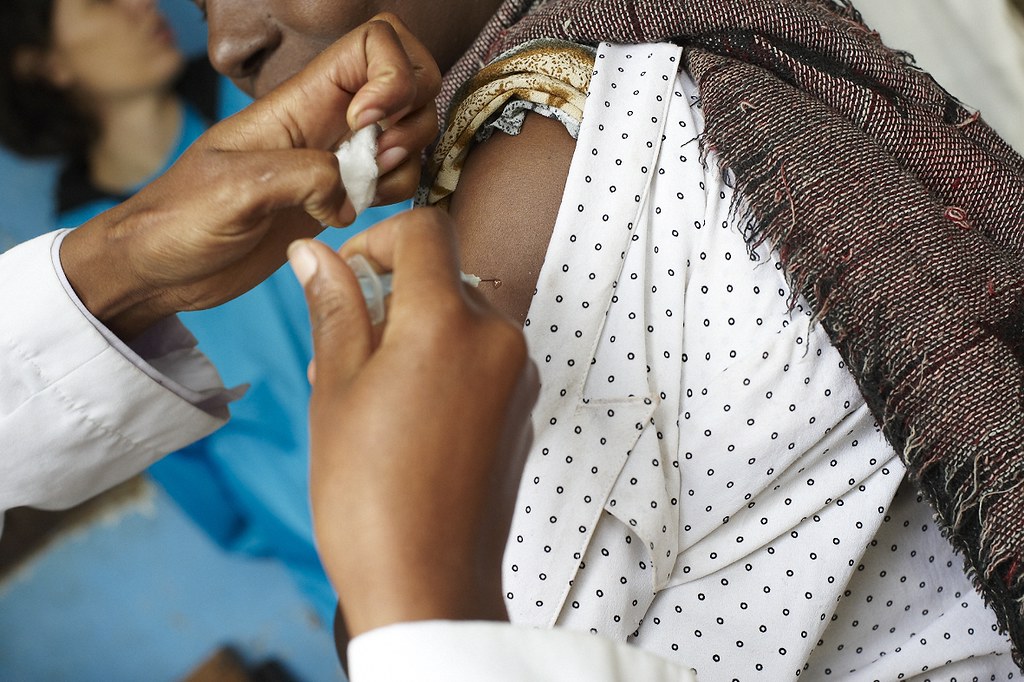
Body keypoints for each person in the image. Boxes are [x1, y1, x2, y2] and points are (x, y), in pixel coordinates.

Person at [194, 0, 1024, 678]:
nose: (227, 42)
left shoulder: (532, 174)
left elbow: (445, 637)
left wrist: (372, 583)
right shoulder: (667, 58)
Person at [1, 19, 697, 678]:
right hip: (359, 582)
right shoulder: (109, 242)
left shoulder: (303, 133)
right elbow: (214, 504)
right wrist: (347, 555)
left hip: (537, 493)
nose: (225, 39)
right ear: (41, 62)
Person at [0, 0, 404, 619]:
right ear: (44, 64)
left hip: (524, 451)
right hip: (350, 576)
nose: (142, 5)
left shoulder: (288, 95)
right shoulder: (73, 277)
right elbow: (195, 480)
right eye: (100, 1)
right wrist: (300, 530)